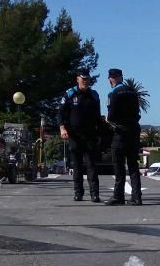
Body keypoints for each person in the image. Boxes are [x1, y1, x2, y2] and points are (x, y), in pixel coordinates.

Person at [57, 69, 102, 202]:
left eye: (87, 79)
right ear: (77, 79)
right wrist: (62, 128)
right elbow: (60, 113)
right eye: (83, 79)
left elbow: (97, 116)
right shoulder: (70, 94)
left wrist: (100, 132)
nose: (85, 81)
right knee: (76, 166)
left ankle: (94, 194)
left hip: (90, 135)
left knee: (91, 166)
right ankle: (78, 193)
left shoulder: (94, 95)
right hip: (74, 135)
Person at [103, 68, 143, 206]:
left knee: (118, 166)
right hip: (133, 131)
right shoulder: (132, 92)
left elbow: (111, 115)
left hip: (120, 133)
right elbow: (138, 113)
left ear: (111, 79)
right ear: (121, 77)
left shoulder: (113, 93)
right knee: (133, 166)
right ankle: (137, 197)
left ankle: (118, 196)